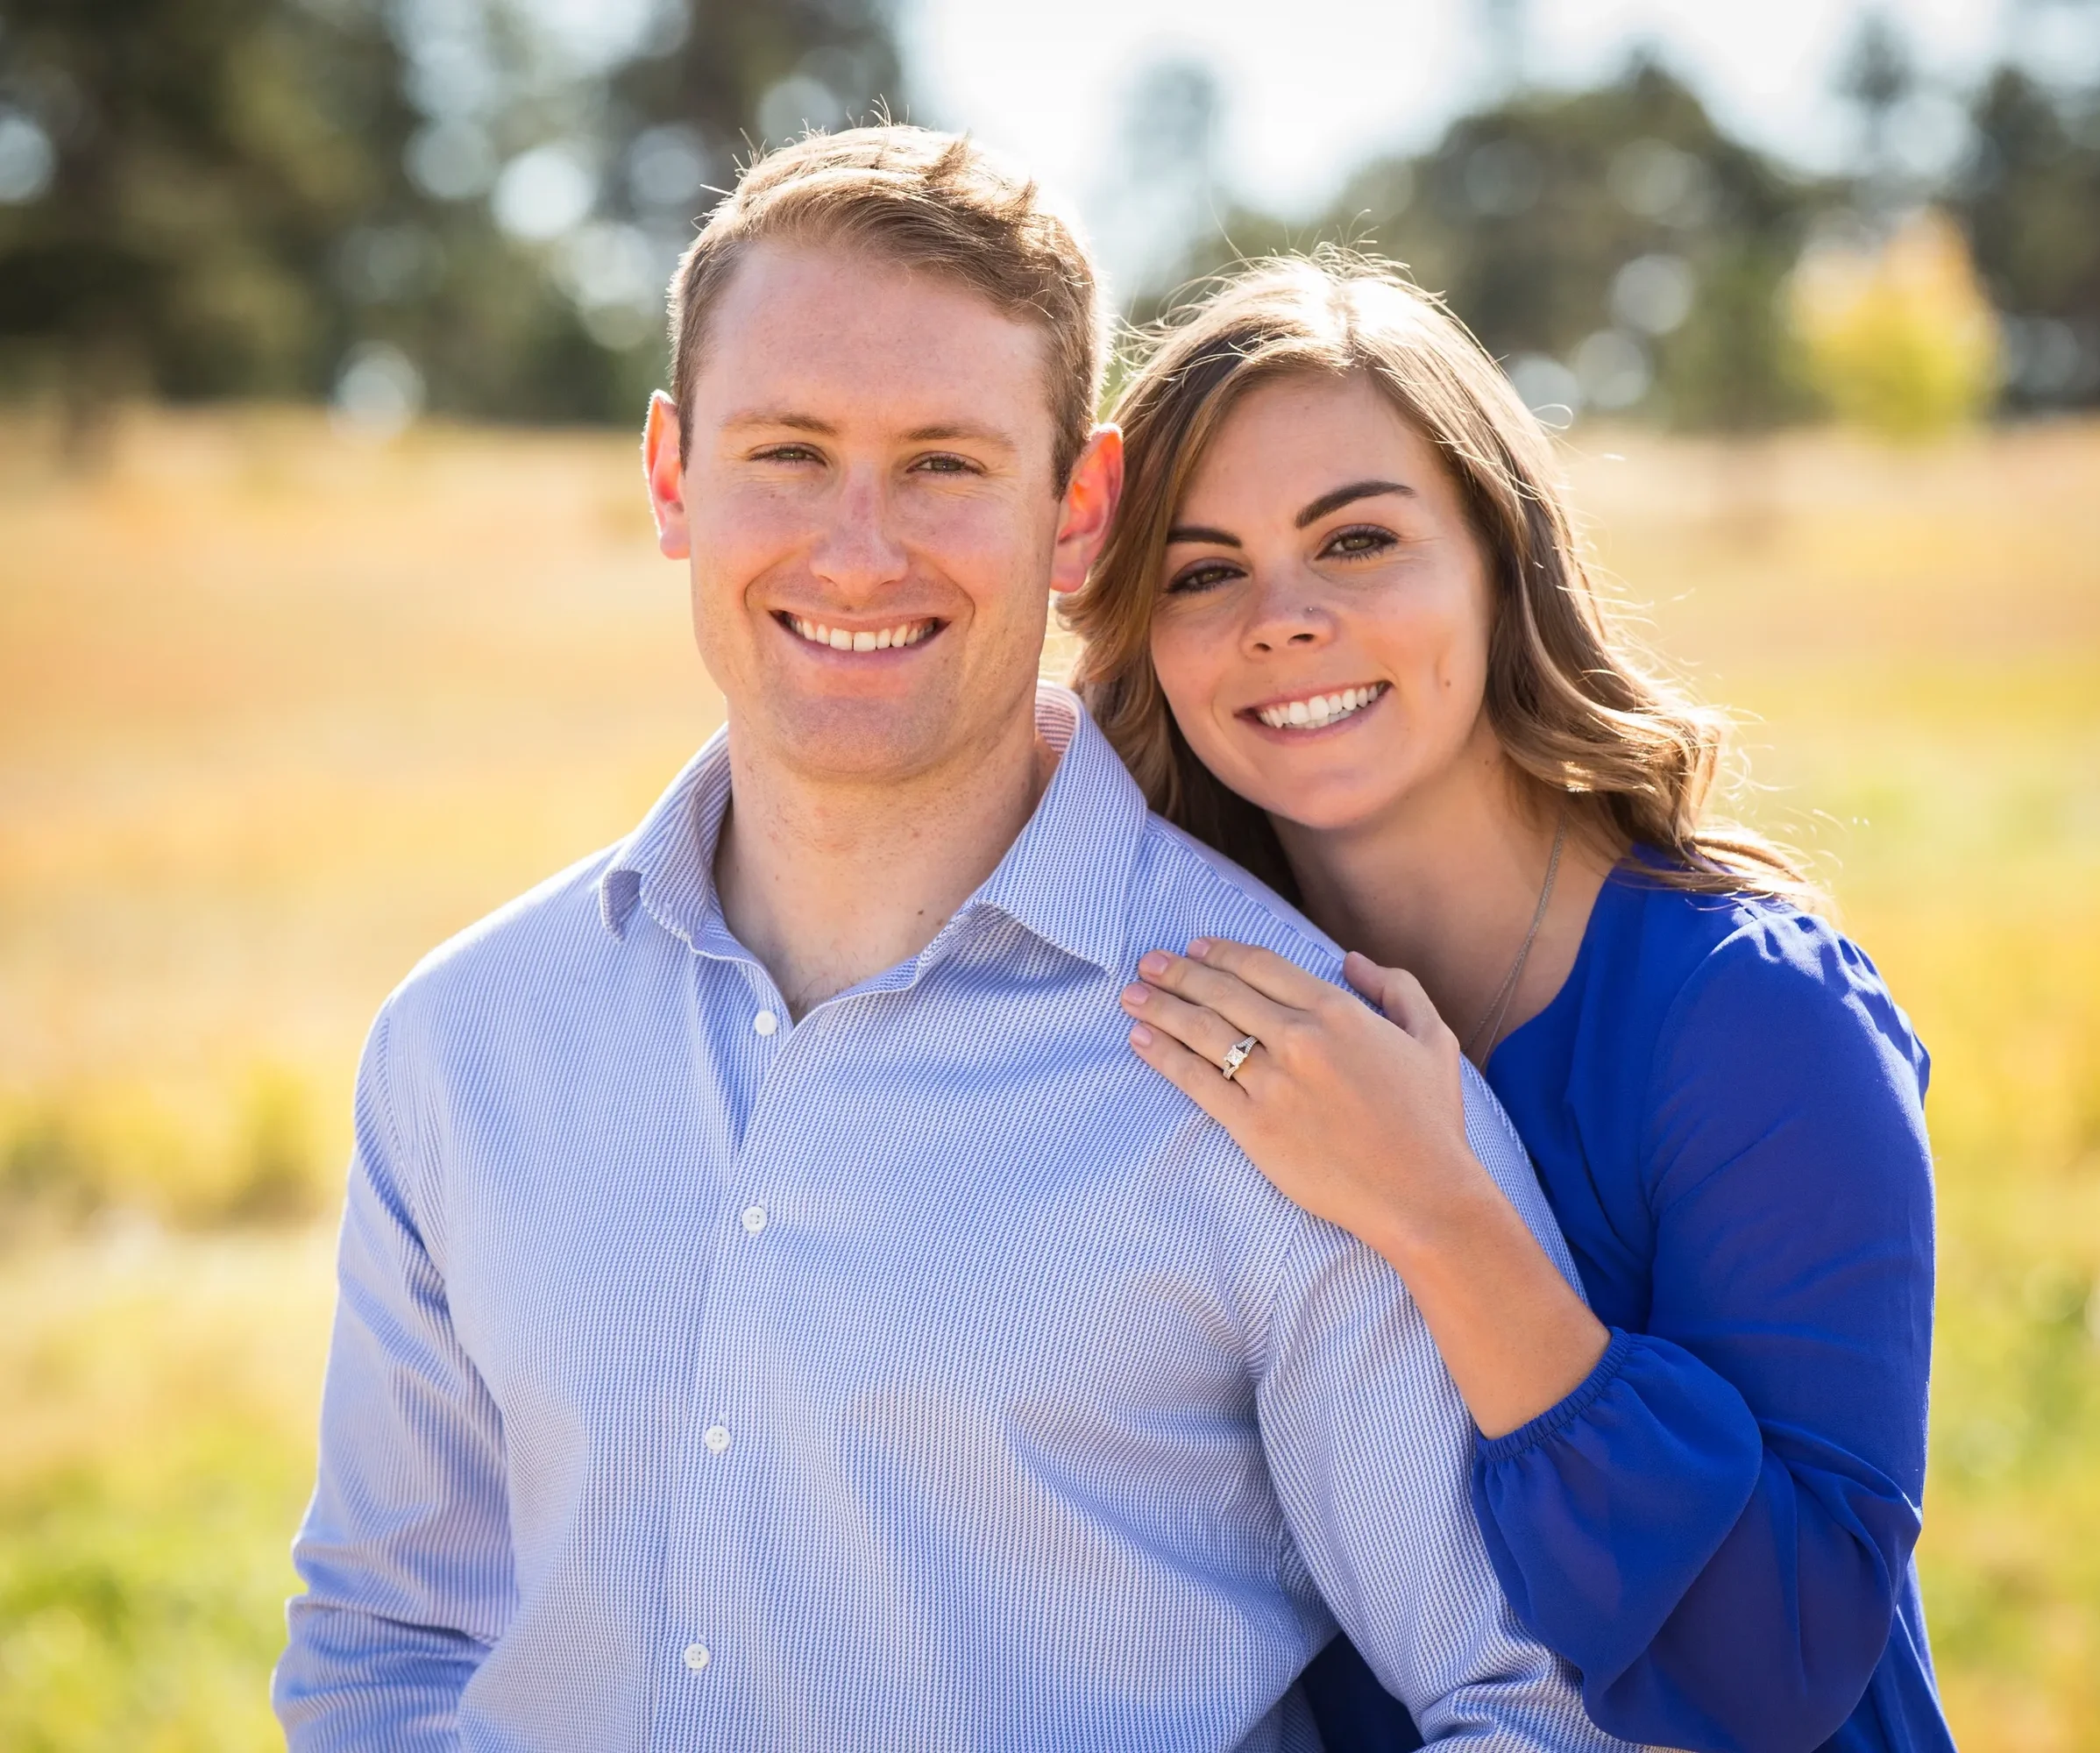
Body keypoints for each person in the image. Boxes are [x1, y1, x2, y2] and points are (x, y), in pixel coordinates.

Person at [272, 131, 1638, 1751]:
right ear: (670, 480)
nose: (859, 550)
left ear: (1079, 513)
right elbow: (387, 1646)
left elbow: (1540, 1708)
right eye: (786, 451)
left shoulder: (1296, 1079)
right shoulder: (468, 1044)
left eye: (943, 463)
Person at [1071, 253, 1955, 1753]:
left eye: (1355, 541)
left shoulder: (1754, 1022)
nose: (1280, 619)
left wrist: (1437, 1207)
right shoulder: (1172, 1012)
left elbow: (1781, 1667)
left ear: (1499, 556)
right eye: (1202, 571)